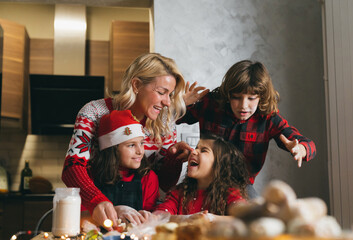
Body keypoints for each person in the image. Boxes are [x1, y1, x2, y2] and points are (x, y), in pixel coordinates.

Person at [62, 53, 206, 230]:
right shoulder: (94, 112)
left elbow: (162, 184)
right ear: (136, 85)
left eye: (170, 94)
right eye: (161, 92)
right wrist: (96, 201)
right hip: (93, 215)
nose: (168, 102)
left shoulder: (164, 124)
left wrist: (172, 158)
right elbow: (72, 168)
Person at [173, 60, 316, 197]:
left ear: (261, 97)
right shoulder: (211, 104)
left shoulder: (268, 119)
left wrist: (300, 149)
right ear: (228, 95)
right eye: (236, 97)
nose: (243, 106)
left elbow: (308, 144)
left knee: (255, 217)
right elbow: (175, 118)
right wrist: (181, 104)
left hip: (240, 186)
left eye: (251, 98)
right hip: (202, 180)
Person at [85, 110, 158, 228]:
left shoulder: (149, 178)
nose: (140, 151)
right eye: (131, 145)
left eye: (141, 143)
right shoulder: (89, 176)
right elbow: (79, 217)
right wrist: (114, 211)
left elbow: (152, 221)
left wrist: (149, 218)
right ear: (112, 149)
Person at [153, 133, 249, 220]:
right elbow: (161, 216)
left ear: (220, 165)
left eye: (203, 150)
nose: (193, 152)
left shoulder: (230, 193)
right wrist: (187, 219)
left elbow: (244, 216)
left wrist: (210, 219)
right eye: (196, 148)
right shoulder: (178, 193)